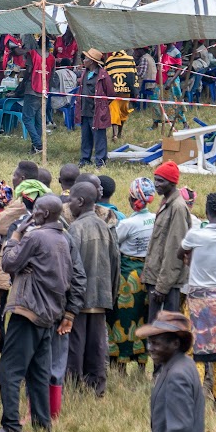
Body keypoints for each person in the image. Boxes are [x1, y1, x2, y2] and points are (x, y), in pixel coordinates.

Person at [0, 193, 77, 432]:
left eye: (37, 210)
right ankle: (43, 426)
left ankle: (10, 427)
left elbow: (9, 263)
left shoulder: (35, 236)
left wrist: (17, 235)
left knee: (10, 370)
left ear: (46, 214)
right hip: (49, 313)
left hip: (28, 311)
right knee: (38, 374)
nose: (32, 213)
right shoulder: (62, 238)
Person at [180, 192, 216, 406]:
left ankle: (196, 396)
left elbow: (181, 251)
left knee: (196, 349)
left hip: (197, 295)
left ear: (206, 211)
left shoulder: (196, 234)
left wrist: (191, 260)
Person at [66, 181, 117, 397]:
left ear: (80, 201)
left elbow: (69, 265)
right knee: (97, 345)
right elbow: (116, 262)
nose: (68, 205)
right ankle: (97, 386)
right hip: (101, 295)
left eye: (70, 201)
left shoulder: (75, 228)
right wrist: (111, 294)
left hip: (78, 297)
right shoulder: (105, 226)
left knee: (75, 344)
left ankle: (73, 385)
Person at [112, 178, 156, 374]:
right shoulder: (156, 219)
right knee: (143, 317)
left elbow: (114, 244)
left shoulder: (128, 224)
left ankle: (121, 362)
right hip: (148, 273)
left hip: (128, 276)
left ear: (132, 199)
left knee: (124, 317)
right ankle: (142, 362)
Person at [143, 160, 193, 319]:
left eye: (160, 181)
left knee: (164, 332)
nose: (156, 184)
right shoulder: (166, 202)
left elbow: (174, 250)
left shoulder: (177, 208)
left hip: (166, 283)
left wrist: (162, 287)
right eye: (155, 179)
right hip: (158, 278)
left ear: (172, 183)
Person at [76, 49, 115, 167]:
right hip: (84, 110)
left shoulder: (103, 75)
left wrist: (102, 105)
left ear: (92, 61)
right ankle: (85, 159)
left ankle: (100, 160)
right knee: (85, 136)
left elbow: (111, 94)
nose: (84, 60)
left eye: (86, 58)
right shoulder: (84, 73)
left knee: (99, 137)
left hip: (97, 112)